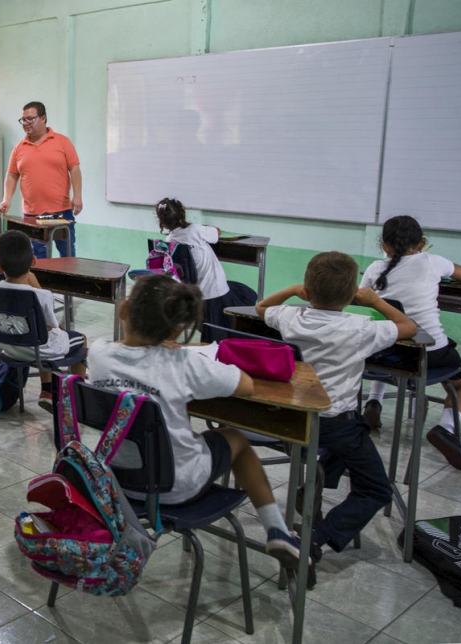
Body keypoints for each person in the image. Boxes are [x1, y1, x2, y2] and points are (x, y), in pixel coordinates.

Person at [88, 274, 303, 568]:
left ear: (123, 310)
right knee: (235, 439)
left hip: (115, 481)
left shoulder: (99, 354)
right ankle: (277, 529)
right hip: (176, 486)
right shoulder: (185, 364)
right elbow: (245, 385)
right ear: (177, 329)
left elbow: (123, 352)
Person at [257, 251, 417, 580]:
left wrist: (290, 289)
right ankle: (313, 539)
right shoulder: (361, 327)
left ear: (308, 290)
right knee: (376, 488)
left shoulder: (290, 316)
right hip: (335, 426)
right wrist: (373, 301)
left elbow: (260, 309)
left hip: (289, 421)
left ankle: (312, 487)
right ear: (351, 293)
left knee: (354, 432)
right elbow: (409, 327)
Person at [359, 215, 461, 468]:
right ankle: (446, 429)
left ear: (384, 246)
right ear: (421, 243)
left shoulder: (375, 268)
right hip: (429, 352)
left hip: (384, 351)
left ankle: (372, 403)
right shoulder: (433, 262)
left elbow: (362, 302)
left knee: (391, 339)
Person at [0, 230, 86, 412]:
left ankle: (48, 391)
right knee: (79, 339)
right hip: (36, 350)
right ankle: (77, 399)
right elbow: (52, 326)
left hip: (7, 349)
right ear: (33, 261)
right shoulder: (40, 295)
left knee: (39, 332)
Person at [155, 197, 257, 342]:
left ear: (163, 223)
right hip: (217, 291)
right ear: (182, 215)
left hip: (196, 298)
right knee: (247, 295)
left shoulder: (169, 241)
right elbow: (217, 232)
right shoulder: (196, 229)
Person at [0, 101, 82, 259]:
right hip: (32, 213)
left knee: (67, 253)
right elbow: (11, 175)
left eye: (30, 119)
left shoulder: (62, 142)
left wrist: (77, 196)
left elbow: (75, 169)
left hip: (61, 210)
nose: (26, 123)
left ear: (43, 118)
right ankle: (41, 284)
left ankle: (65, 283)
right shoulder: (19, 147)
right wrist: (6, 199)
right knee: (39, 256)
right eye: (23, 120)